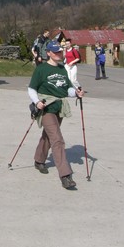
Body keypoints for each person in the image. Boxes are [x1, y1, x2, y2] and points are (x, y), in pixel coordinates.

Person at [28, 39, 84, 190]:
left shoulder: (62, 69)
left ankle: (39, 160)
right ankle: (65, 175)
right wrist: (36, 102)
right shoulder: (41, 69)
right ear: (48, 53)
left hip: (59, 108)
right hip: (46, 108)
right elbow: (31, 88)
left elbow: (67, 89)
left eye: (60, 51)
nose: (59, 54)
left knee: (48, 135)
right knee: (57, 139)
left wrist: (76, 93)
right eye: (56, 52)